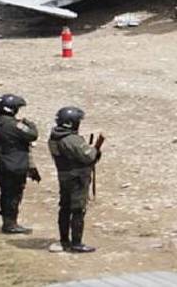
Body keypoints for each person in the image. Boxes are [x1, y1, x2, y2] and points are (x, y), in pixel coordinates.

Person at [47, 106, 103, 253]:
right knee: (78, 209)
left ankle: (64, 240)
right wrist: (96, 150)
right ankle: (76, 243)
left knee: (64, 208)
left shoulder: (54, 137)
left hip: (64, 175)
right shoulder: (71, 139)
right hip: (76, 178)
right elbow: (89, 156)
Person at [0, 94, 41, 234]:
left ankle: (7, 221)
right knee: (13, 194)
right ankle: (10, 224)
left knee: (6, 193)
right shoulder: (12, 125)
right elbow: (32, 134)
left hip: (2, 163)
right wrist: (29, 123)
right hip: (15, 165)